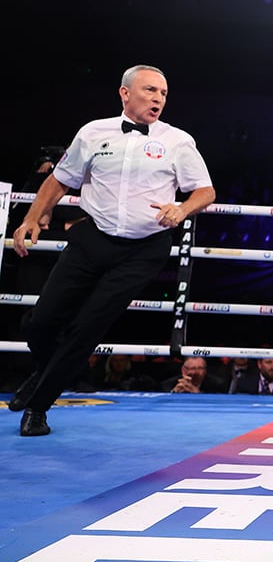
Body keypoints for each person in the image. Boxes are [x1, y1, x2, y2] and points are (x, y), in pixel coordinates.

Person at [7, 64, 215, 437]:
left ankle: (38, 408)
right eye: (150, 90)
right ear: (125, 92)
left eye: (163, 93)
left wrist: (182, 209)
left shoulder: (177, 140)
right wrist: (32, 218)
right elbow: (59, 180)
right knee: (40, 322)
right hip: (93, 237)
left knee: (86, 328)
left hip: (144, 248)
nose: (158, 98)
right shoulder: (93, 132)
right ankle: (44, 373)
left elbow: (205, 191)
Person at [161, 356, 227, 394]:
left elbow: (217, 405)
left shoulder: (217, 385)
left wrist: (198, 394)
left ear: (205, 371)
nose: (196, 372)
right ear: (183, 370)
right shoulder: (167, 385)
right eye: (192, 368)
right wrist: (173, 394)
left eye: (200, 368)